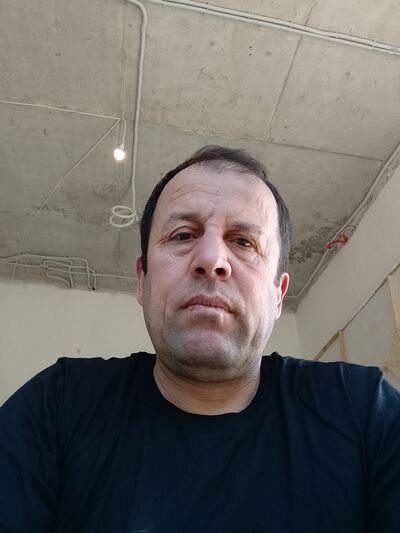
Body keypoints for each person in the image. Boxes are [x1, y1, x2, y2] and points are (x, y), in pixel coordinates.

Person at [0, 146, 399, 533]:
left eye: (243, 242)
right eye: (182, 235)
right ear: (141, 280)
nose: (211, 259)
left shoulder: (364, 412)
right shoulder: (57, 406)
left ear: (278, 296)